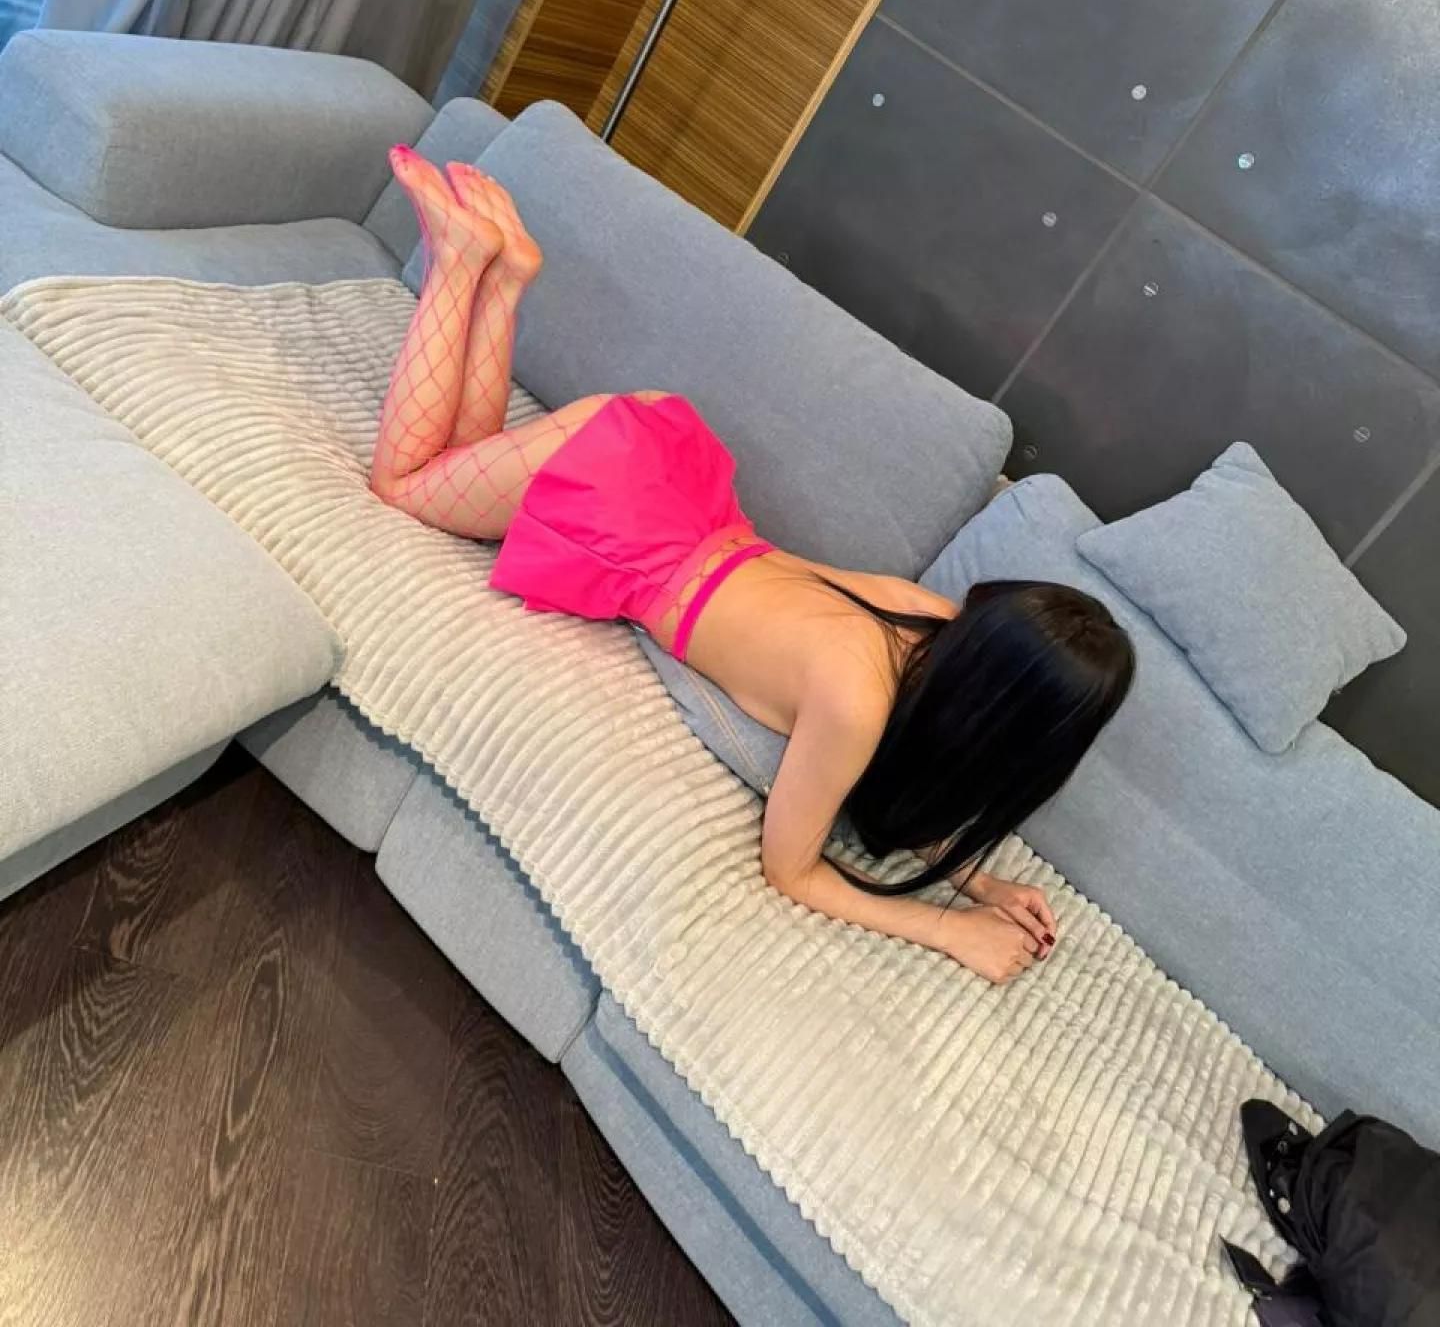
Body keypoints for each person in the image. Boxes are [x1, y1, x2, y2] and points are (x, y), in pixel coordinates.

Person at [371, 148, 1136, 985]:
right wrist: (949, 930)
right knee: (404, 485)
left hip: (673, 483)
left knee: (468, 465)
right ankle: (461, 261)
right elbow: (792, 869)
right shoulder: (855, 701)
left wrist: (978, 880)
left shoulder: (922, 618)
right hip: (632, 523)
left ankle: (505, 276)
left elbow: (911, 762)